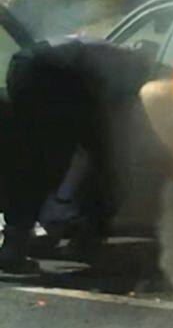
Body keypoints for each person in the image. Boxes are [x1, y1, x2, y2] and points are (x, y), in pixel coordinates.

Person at [0, 38, 153, 272]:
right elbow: (114, 121)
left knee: (31, 160)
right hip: (52, 79)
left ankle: (22, 242)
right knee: (103, 164)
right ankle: (80, 239)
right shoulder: (129, 71)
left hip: (22, 68)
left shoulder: (105, 51)